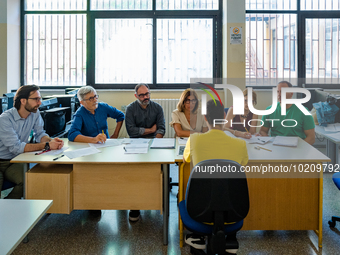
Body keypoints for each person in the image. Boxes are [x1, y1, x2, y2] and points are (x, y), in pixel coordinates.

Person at [183, 99, 248, 253]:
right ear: (224, 117)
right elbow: (243, 163)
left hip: (199, 208)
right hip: (233, 209)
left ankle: (198, 236)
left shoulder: (194, 140)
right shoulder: (240, 144)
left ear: (205, 117)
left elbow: (185, 160)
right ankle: (230, 237)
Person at [0, 85, 64, 199]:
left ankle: (8, 208)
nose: (40, 103)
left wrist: (51, 140)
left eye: (40, 99)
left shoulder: (35, 113)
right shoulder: (5, 119)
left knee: (29, 180)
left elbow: (40, 134)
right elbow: (16, 147)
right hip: (2, 160)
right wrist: (48, 145)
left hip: (15, 160)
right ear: (23, 101)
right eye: (36, 99)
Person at [125, 83, 165, 222]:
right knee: (135, 175)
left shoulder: (157, 108)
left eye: (147, 94)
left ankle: (156, 200)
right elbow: (131, 131)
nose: (145, 97)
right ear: (136, 96)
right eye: (141, 95)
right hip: (135, 143)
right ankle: (135, 206)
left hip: (154, 142)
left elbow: (161, 129)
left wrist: (154, 140)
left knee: (156, 172)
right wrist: (150, 130)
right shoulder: (130, 109)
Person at [258, 81, 315, 145]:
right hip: (276, 147)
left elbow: (311, 137)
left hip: (297, 148)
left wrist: (300, 149)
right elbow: (262, 131)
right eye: (278, 91)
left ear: (291, 93)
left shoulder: (303, 111)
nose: (279, 95)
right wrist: (269, 142)